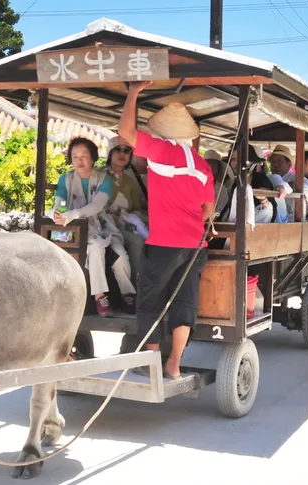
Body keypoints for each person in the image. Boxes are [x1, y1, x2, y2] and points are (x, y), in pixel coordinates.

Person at [119, 80, 215, 380]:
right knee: (184, 301)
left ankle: (151, 362)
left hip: (164, 244)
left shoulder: (161, 150)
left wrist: (133, 92)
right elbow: (208, 209)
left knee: (150, 300)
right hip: (195, 246)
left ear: (164, 132)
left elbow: (126, 132)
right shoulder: (202, 165)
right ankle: (173, 363)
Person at [52, 137, 137, 316]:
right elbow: (59, 203)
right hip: (74, 229)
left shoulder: (104, 179)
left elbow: (97, 205)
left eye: (84, 156)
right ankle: (100, 297)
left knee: (121, 256)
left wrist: (73, 214)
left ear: (92, 158)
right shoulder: (65, 179)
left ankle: (127, 293)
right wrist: (59, 213)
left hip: (102, 226)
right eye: (75, 157)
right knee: (96, 247)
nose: (79, 161)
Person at [105, 136, 149, 288]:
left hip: (124, 224)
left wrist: (134, 216)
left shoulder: (130, 181)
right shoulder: (98, 175)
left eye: (127, 151)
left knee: (144, 239)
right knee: (136, 242)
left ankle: (139, 287)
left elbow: (136, 207)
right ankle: (132, 290)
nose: (122, 154)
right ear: (109, 153)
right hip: (104, 224)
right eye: (117, 150)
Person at [267, 144, 308, 222]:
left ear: (289, 164)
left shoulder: (297, 178)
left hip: (294, 224)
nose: (275, 165)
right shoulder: (269, 178)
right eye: (273, 162)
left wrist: (295, 186)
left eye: (279, 161)